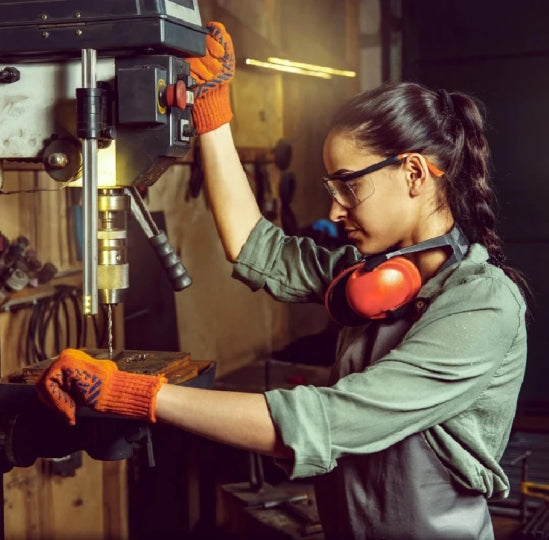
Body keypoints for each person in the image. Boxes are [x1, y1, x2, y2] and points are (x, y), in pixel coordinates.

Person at [36, 22, 528, 540]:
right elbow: (255, 246)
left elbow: (328, 421)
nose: (334, 209)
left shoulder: (484, 305)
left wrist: (133, 393)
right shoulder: (369, 276)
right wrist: (212, 111)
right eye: (330, 186)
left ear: (412, 174)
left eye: (349, 186)